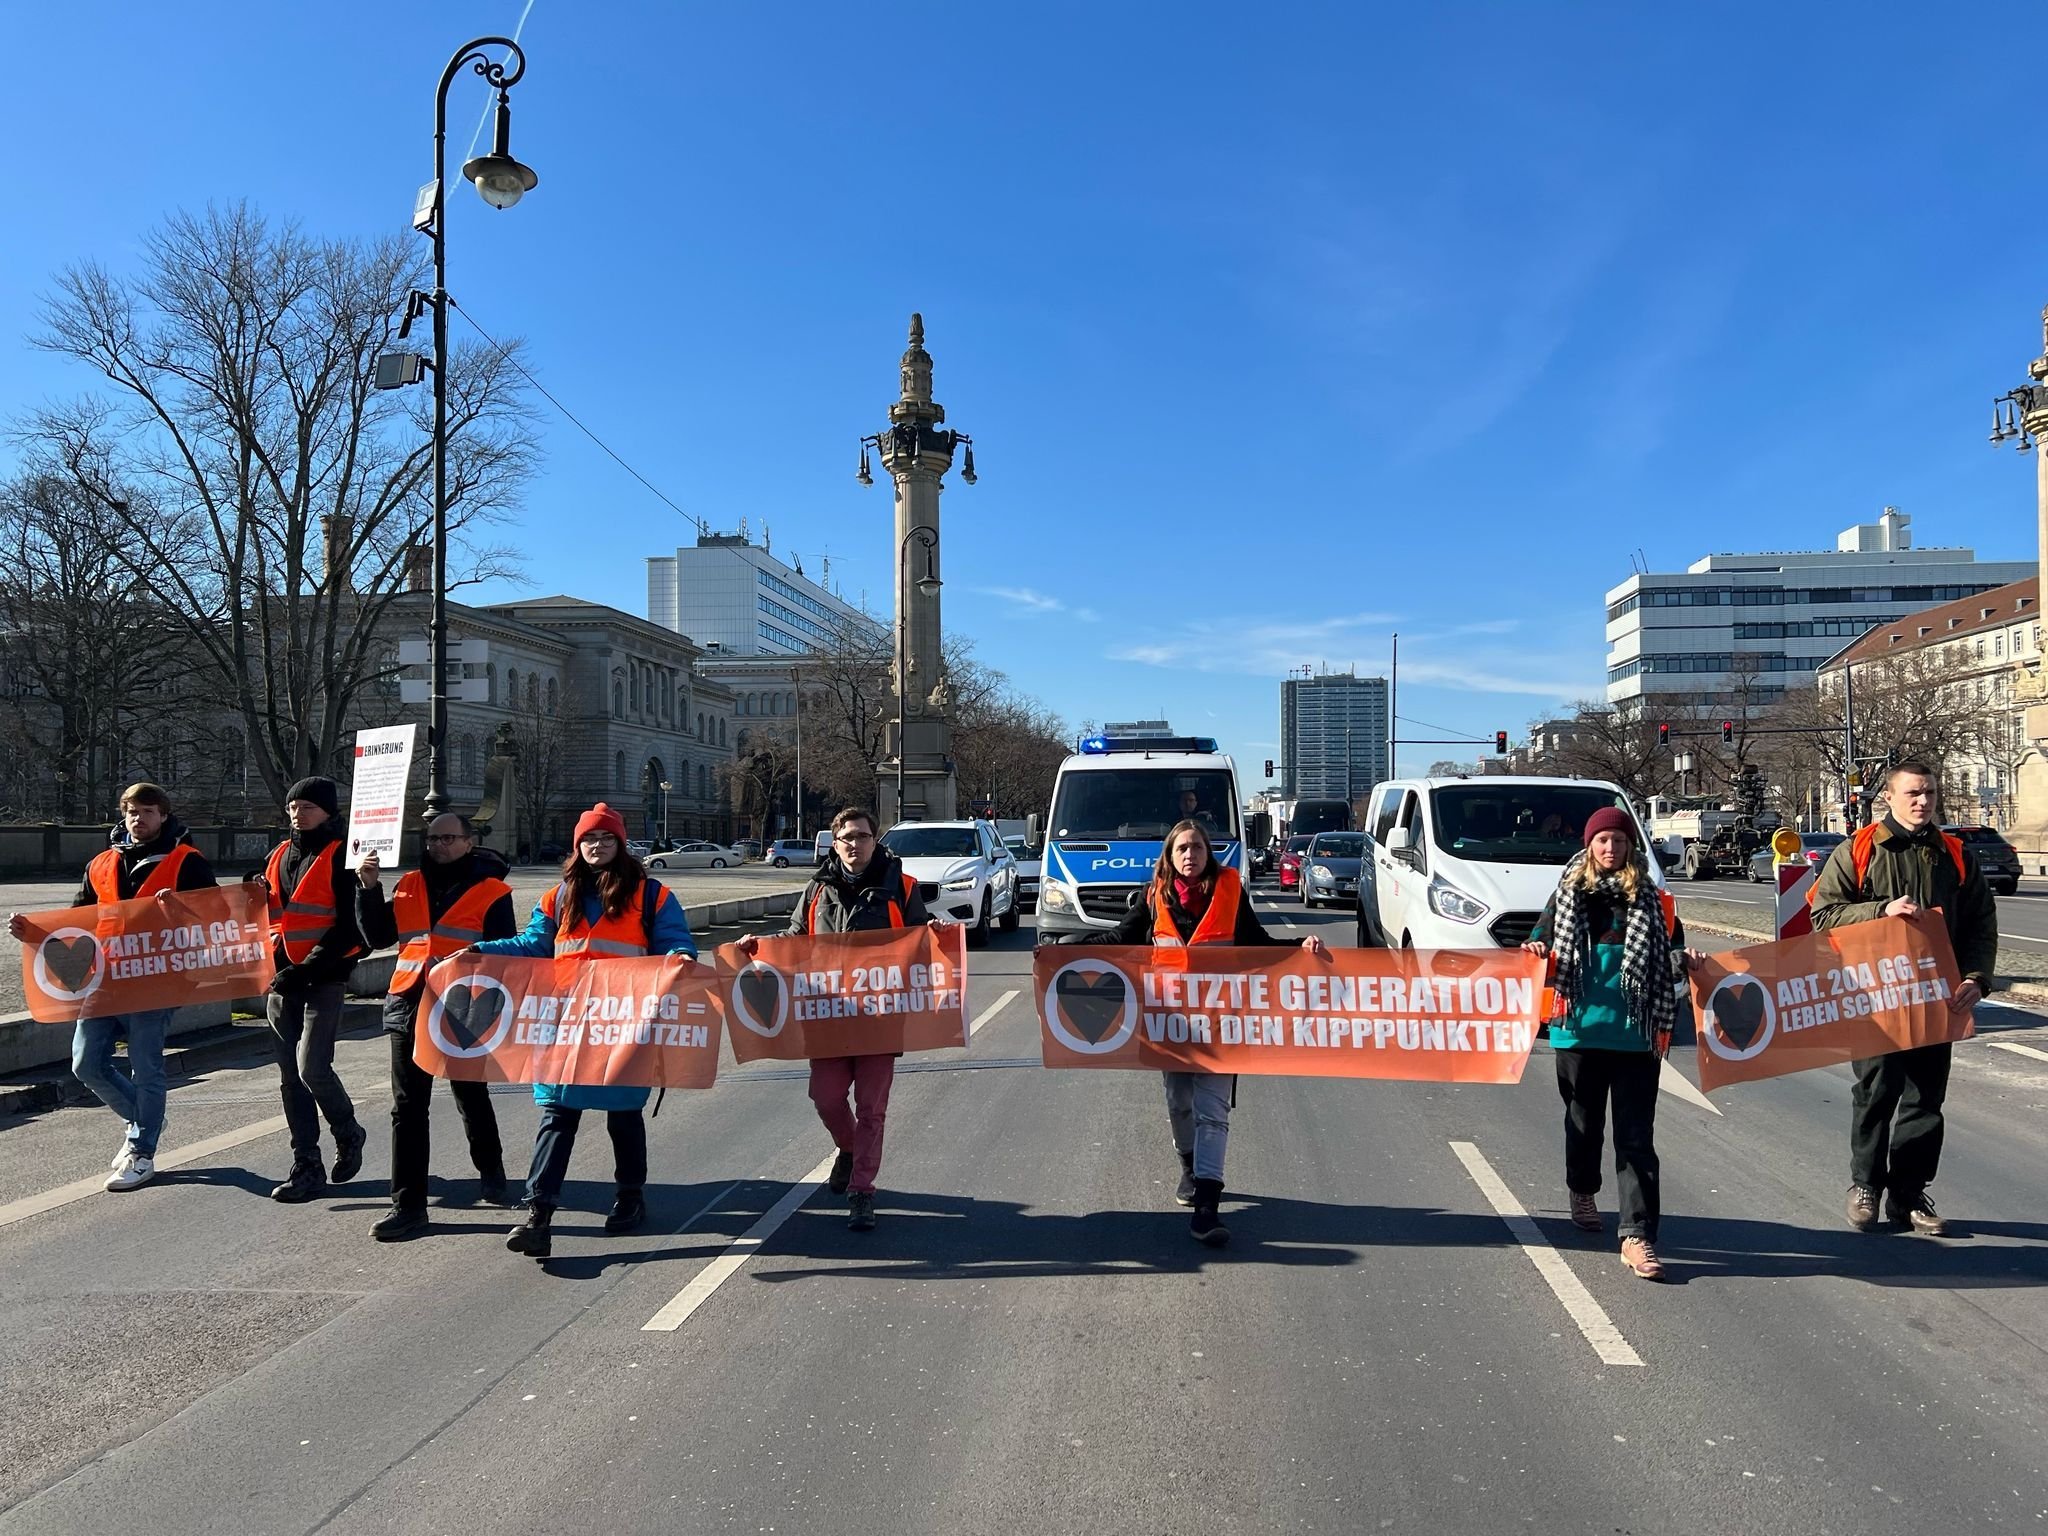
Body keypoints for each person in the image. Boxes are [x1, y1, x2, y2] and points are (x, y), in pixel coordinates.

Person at [1052, 817, 1327, 1246]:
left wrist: (1301, 949)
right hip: (1170, 1024)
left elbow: (1258, 944)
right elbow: (1122, 938)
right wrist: (1065, 950)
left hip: (1221, 1023)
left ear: (1207, 854)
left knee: (1212, 1112)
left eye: (1197, 848)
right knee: (1179, 1104)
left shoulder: (1230, 893)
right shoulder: (1155, 896)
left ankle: (1207, 1206)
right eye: (1182, 849)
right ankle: (1189, 1165)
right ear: (1169, 855)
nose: (1190, 856)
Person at [476, 802, 698, 1261]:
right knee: (558, 1114)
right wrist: (477, 951)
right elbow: (532, 944)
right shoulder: (558, 897)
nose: (597, 846)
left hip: (625, 1022)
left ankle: (630, 1196)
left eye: (606, 838)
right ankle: (538, 1214)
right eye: (589, 840)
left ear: (621, 844)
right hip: (568, 1024)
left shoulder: (651, 895)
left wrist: (680, 956)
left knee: (623, 1115)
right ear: (578, 847)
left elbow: (674, 940)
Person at [1809, 760, 1994, 1237]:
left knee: (1925, 1100)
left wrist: (1976, 977)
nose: (1923, 802)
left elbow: (1980, 925)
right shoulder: (1860, 849)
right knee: (1875, 1091)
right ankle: (1866, 1185)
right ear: (1888, 797)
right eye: (1913, 793)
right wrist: (1881, 910)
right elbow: (1823, 915)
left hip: (1937, 998)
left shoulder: (1954, 853)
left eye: (1930, 793)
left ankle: (1909, 1195)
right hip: (1875, 997)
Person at [734, 806, 939, 1233]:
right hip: (826, 1015)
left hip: (880, 1018)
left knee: (871, 1109)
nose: (854, 844)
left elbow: (918, 943)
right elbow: (795, 938)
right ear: (835, 842)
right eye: (846, 837)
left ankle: (862, 1191)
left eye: (862, 836)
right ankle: (848, 1149)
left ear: (874, 840)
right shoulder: (816, 889)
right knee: (825, 1097)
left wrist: (935, 934)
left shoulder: (901, 887)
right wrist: (760, 947)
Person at [7, 782, 217, 1192]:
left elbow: (218, 919)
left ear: (163, 815)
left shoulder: (186, 861)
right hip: (106, 979)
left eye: (148, 811)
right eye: (132, 811)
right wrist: (31, 933)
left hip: (158, 981)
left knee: (146, 1067)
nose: (139, 819)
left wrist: (180, 911)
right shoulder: (101, 863)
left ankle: (142, 1151)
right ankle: (144, 1120)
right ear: (123, 814)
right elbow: (76, 922)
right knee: (85, 1064)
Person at [1522, 806, 1700, 1281]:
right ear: (1589, 846)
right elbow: (1536, 946)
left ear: (1630, 847)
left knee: (1636, 1138)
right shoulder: (1566, 898)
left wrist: (1690, 961)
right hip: (1578, 1030)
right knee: (1583, 1124)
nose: (1610, 848)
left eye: (1619, 841)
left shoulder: (1656, 901)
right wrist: (1537, 949)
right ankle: (1582, 1190)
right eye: (1602, 840)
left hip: (1638, 1035)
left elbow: (1673, 955)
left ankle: (1637, 1235)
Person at [354, 814, 517, 1241]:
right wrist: (369, 888)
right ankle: (407, 1206)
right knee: (407, 1108)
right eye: (432, 838)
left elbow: (508, 957)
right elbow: (377, 937)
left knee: (470, 1093)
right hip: (409, 1001)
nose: (439, 845)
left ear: (469, 842)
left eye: (448, 838)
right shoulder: (408, 883)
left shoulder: (493, 892)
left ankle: (491, 1169)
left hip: (465, 1008)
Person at [261, 776, 368, 1203]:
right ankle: (307, 1165)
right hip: (279, 979)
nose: (297, 814)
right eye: (293, 807)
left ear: (328, 812)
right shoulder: (278, 855)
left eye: (307, 807)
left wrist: (306, 969)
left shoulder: (344, 854)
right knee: (290, 1077)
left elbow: (349, 927)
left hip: (323, 977)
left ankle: (347, 1130)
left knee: (312, 1069)